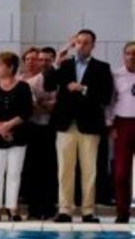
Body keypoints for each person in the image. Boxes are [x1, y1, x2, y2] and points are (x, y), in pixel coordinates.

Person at [44, 29, 114, 223]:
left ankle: (87, 211)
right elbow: (48, 85)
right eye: (79, 42)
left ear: (93, 45)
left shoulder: (102, 67)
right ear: (74, 44)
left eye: (86, 43)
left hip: (90, 125)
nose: (81, 46)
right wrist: (56, 60)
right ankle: (65, 209)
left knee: (89, 169)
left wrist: (83, 88)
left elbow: (106, 96)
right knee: (65, 168)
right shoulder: (64, 65)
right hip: (65, 123)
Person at [0, 52, 33, 221]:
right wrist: (0, 127)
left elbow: (26, 111)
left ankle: (12, 207)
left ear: (11, 67)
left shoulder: (23, 87)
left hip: (17, 136)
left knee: (14, 173)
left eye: (0, 65)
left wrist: (9, 125)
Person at [20, 47, 58, 220]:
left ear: (53, 60)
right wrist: (46, 105)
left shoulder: (60, 80)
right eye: (40, 60)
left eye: (46, 60)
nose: (42, 63)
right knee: (33, 169)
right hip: (34, 129)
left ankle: (49, 208)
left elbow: (58, 106)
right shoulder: (30, 83)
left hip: (53, 128)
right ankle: (34, 209)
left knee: (51, 169)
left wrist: (44, 104)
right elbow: (31, 107)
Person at [108, 41, 135, 223]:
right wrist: (110, 126)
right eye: (128, 53)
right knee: (121, 172)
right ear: (123, 55)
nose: (132, 57)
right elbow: (110, 102)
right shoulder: (115, 75)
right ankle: (122, 212)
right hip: (123, 124)